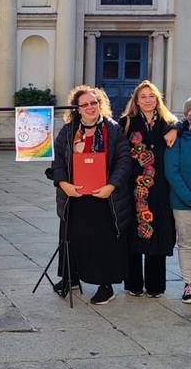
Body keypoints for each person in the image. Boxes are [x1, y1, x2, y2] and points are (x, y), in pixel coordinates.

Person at [51, 85, 132, 305]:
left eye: (94, 103)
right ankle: (70, 278)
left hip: (104, 197)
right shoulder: (68, 131)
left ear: (100, 104)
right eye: (85, 104)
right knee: (71, 237)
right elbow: (57, 161)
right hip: (74, 196)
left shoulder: (113, 130)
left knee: (103, 242)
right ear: (77, 108)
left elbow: (124, 161)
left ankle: (106, 286)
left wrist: (111, 186)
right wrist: (63, 183)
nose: (90, 107)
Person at [119, 80, 178, 298]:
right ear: (136, 100)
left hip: (160, 188)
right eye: (143, 97)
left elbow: (183, 124)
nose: (147, 100)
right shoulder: (126, 122)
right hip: (134, 187)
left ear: (157, 99)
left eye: (151, 96)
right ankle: (133, 283)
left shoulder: (168, 122)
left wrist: (175, 128)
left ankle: (155, 285)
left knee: (158, 233)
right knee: (134, 233)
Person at [164, 95, 191, 304]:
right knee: (186, 244)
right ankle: (189, 284)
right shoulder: (176, 138)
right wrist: (189, 198)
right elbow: (172, 170)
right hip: (182, 202)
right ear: (186, 116)